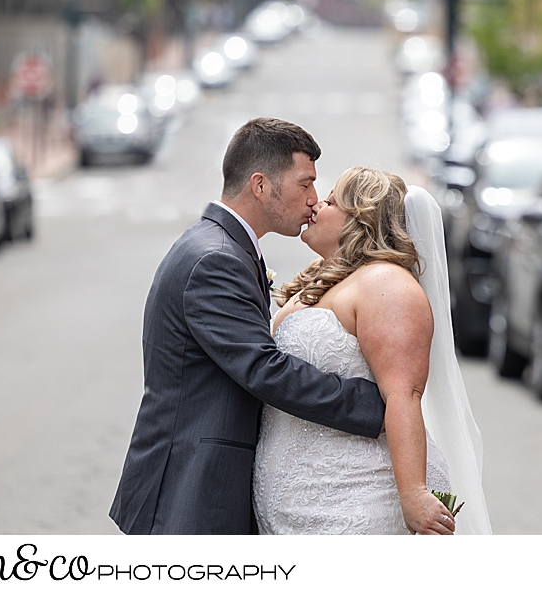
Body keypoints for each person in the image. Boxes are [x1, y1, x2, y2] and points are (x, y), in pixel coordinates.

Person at [109, 118, 388, 535]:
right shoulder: (215, 259)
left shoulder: (223, 248)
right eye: (305, 183)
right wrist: (370, 404)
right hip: (190, 487)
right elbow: (263, 369)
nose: (314, 200)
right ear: (260, 185)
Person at [254, 168, 491, 534]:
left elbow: (404, 393)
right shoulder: (323, 278)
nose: (316, 204)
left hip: (357, 502)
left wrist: (413, 493)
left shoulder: (385, 284)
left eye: (332, 201)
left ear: (360, 220)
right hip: (299, 507)